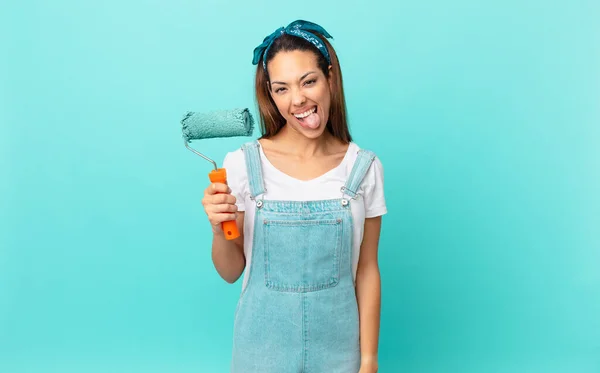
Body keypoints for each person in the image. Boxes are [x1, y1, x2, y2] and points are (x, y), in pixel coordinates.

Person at [201, 20, 387, 373]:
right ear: (270, 94)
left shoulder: (363, 168)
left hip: (340, 353)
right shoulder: (242, 164)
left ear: (330, 78)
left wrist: (368, 360)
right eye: (281, 88)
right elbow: (230, 271)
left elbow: (367, 271)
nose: (298, 99)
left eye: (308, 81)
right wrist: (217, 227)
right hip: (260, 353)